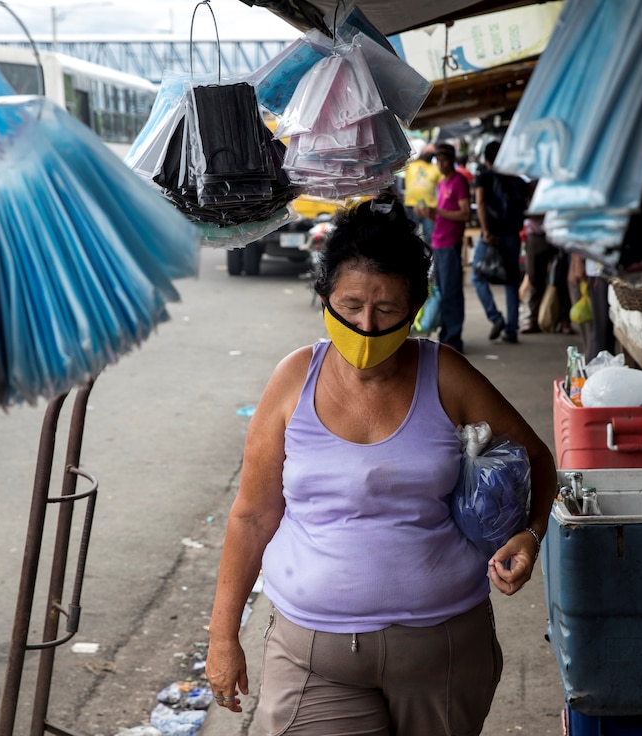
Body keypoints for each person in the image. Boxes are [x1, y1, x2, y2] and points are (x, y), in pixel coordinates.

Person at [204, 192, 556, 736]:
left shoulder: (447, 375)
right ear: (323, 297)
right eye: (350, 306)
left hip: (443, 652)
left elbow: (537, 458)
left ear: (415, 309)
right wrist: (223, 639)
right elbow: (251, 517)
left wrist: (530, 536)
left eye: (387, 309)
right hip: (313, 655)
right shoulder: (292, 380)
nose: (367, 326)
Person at [471, 140, 529, 343]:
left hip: (492, 235)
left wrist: (486, 230)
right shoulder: (518, 180)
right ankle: (512, 330)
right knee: (512, 282)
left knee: (477, 277)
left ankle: (495, 317)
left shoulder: (485, 177)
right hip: (512, 235)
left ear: (487, 159)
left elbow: (480, 201)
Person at [415, 141, 471, 353]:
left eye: (444, 160)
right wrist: (428, 213)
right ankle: (447, 333)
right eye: (438, 160)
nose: (440, 164)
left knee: (451, 291)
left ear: (453, 160)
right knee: (442, 291)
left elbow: (465, 214)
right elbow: (440, 213)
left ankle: (453, 338)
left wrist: (437, 212)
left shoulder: (459, 181)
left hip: (450, 243)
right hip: (438, 242)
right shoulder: (442, 182)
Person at [402, 143, 441, 244]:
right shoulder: (411, 165)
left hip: (429, 208)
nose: (430, 154)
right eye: (429, 151)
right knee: (411, 236)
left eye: (433, 152)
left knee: (430, 237)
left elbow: (442, 186)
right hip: (411, 206)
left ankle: (432, 258)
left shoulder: (435, 168)